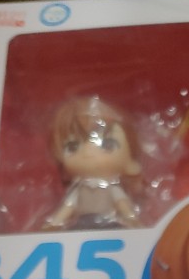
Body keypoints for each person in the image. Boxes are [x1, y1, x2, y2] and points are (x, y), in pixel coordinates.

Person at [43, 95, 142, 230]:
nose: (88, 152)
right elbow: (68, 207)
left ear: (131, 163)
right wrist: (54, 223)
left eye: (108, 145)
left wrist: (132, 220)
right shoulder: (78, 190)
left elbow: (122, 204)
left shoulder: (112, 188)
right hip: (81, 226)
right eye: (72, 147)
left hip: (110, 225)